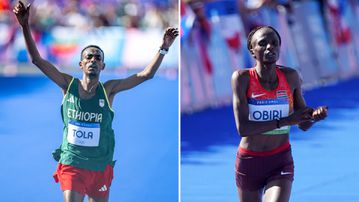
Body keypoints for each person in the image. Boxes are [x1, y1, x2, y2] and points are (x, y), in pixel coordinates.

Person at [13, 1, 178, 202]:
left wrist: (163, 48)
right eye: (88, 57)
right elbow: (37, 60)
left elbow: (146, 75)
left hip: (100, 165)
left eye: (97, 58)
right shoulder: (67, 85)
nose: (92, 60)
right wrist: (25, 26)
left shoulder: (109, 90)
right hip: (72, 163)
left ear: (103, 65)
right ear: (81, 64)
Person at [231, 25, 327, 202]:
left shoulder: (291, 77)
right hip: (249, 161)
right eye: (263, 43)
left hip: (280, 160)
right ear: (252, 51)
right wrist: (284, 121)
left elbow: (302, 123)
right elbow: (243, 128)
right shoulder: (242, 78)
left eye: (274, 43)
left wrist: (314, 118)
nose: (270, 47)